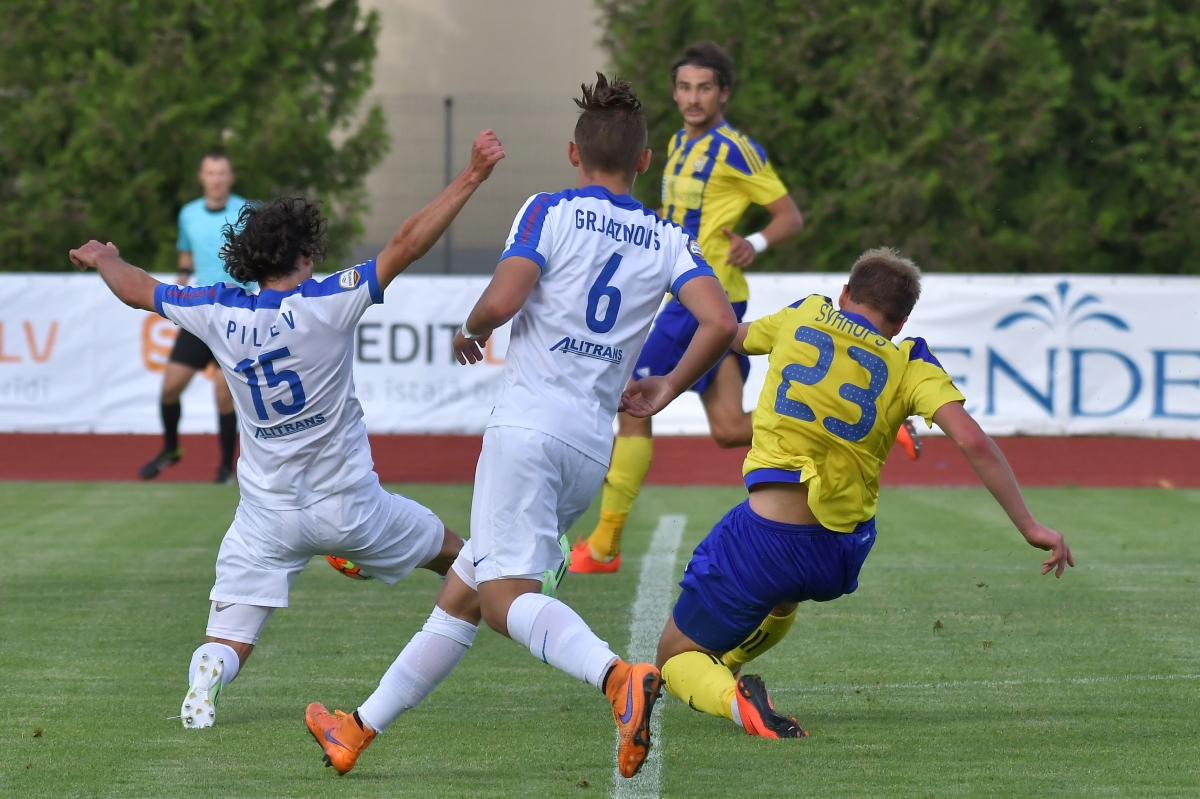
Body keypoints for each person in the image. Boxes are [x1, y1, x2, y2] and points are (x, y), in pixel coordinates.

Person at [303, 74, 737, 780]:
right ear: (645, 161)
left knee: (505, 601)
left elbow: (505, 298)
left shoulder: (548, 209)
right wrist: (669, 385)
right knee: (464, 593)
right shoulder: (667, 236)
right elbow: (719, 321)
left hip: (527, 430)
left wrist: (471, 327)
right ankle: (355, 729)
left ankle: (616, 677)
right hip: (590, 449)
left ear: (573, 152)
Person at [68, 129, 507, 729]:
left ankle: (208, 675)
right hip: (352, 509)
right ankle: (531, 587)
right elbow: (406, 243)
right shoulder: (328, 301)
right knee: (462, 556)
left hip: (267, 516)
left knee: (228, 637)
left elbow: (138, 290)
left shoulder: (218, 309)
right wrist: (473, 175)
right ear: (304, 256)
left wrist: (104, 258)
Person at [650, 248, 1075, 738]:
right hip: (839, 556)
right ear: (901, 321)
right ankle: (731, 663)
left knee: (672, 659)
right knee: (782, 598)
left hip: (767, 538)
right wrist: (1029, 525)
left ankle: (734, 702)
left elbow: (726, 332)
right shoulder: (911, 361)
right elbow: (974, 441)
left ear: (845, 293)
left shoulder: (806, 312)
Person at [569, 41, 807, 573]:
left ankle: (605, 545)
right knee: (728, 428)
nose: (693, 97)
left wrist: (755, 243)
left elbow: (789, 216)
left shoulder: (737, 149)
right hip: (686, 293)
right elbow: (675, 214)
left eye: (704, 88)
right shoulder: (677, 142)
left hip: (704, 299)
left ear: (724, 93)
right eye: (684, 87)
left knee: (632, 401)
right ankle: (832, 422)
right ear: (675, 92)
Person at [140, 153, 251, 484]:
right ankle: (170, 449)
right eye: (210, 173)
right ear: (202, 177)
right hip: (200, 310)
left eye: (222, 173)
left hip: (235, 312)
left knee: (222, 394)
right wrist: (182, 280)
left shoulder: (248, 212)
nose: (216, 179)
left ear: (231, 178)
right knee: (170, 389)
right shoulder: (188, 213)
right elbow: (186, 253)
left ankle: (225, 469)